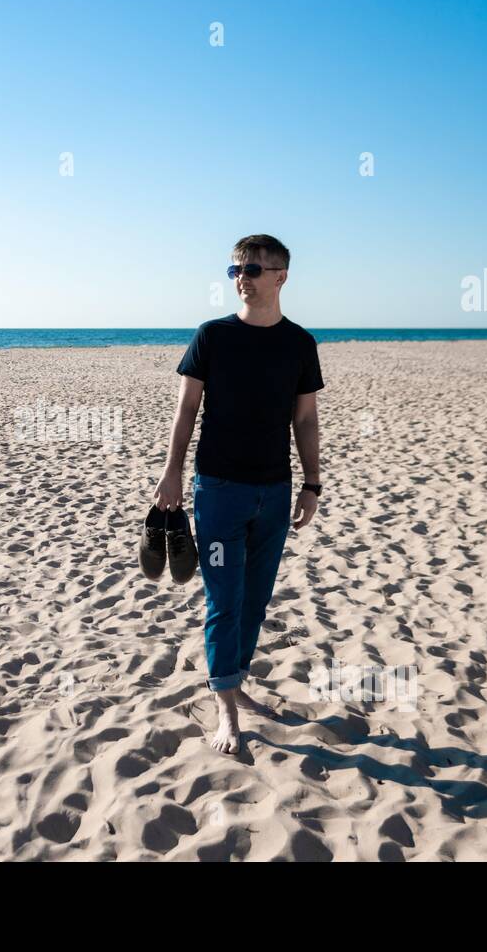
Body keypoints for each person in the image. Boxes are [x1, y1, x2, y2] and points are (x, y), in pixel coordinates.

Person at [154, 234, 324, 754]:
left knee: (254, 600)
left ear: (281, 276)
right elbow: (186, 411)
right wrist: (171, 472)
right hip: (218, 490)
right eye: (235, 271)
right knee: (224, 600)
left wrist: (312, 483)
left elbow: (306, 418)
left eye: (252, 269)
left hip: (274, 491)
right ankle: (226, 709)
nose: (242, 278)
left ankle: (235, 678)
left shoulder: (300, 344)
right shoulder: (212, 337)